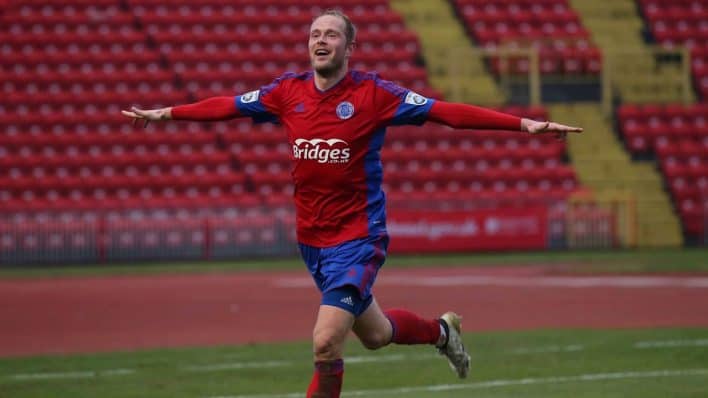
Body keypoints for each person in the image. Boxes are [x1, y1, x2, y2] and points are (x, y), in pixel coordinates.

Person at [122, 9, 582, 397]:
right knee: (377, 335)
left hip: (358, 238)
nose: (321, 41)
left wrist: (525, 124)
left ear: (349, 47)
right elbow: (228, 105)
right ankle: (443, 332)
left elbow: (446, 113)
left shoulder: (374, 94)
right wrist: (165, 114)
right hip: (312, 241)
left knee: (325, 344)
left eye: (331, 35)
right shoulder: (288, 91)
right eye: (315, 35)